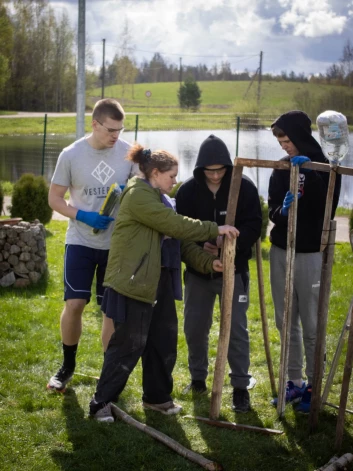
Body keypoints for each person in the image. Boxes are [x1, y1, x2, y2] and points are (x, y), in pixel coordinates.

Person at [88, 144, 239, 422]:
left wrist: (209, 263)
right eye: (171, 175)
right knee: (128, 344)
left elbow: (178, 241)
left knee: (162, 341)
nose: (175, 181)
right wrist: (214, 228)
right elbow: (176, 225)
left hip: (160, 282)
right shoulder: (138, 195)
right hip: (134, 283)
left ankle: (156, 398)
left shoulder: (160, 198)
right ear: (155, 173)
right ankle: (101, 402)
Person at [47, 98, 137, 392]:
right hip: (81, 241)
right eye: (111, 130)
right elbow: (55, 199)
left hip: (116, 245)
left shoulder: (129, 153)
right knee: (75, 304)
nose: (116, 136)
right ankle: (67, 366)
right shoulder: (71, 155)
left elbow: (145, 191)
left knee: (110, 310)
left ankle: (109, 371)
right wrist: (82, 215)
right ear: (94, 124)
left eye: (120, 130)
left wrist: (132, 191)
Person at [176, 134, 262, 413]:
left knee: (236, 329)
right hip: (198, 275)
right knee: (194, 328)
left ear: (228, 167)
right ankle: (198, 379)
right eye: (209, 171)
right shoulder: (187, 192)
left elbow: (254, 225)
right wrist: (205, 247)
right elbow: (183, 232)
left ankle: (240, 387)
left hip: (234, 272)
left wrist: (231, 246)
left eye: (220, 170)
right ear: (200, 169)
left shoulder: (245, 188)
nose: (215, 176)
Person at [268, 110, 341, 412]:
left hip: (310, 252)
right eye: (280, 141)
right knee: (286, 320)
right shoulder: (281, 168)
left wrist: (310, 176)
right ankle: (294, 381)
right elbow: (272, 209)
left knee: (311, 323)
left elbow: (330, 206)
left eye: (286, 140)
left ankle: (314, 384)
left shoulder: (325, 166)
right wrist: (281, 212)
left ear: (299, 136)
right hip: (282, 250)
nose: (284, 146)